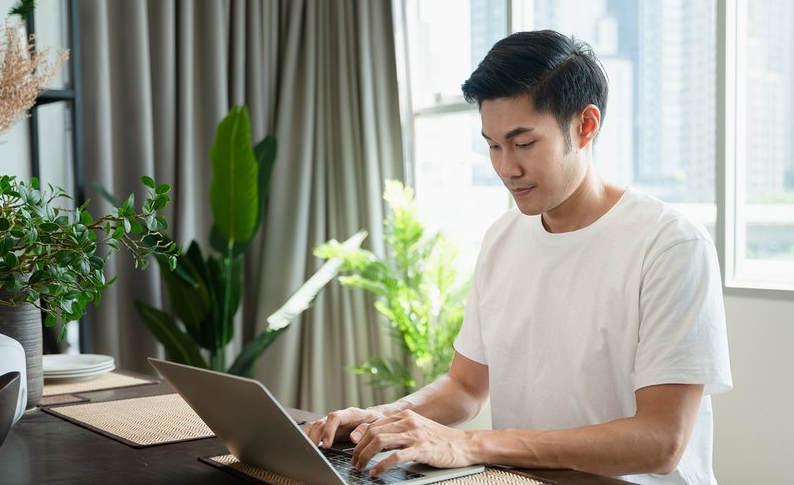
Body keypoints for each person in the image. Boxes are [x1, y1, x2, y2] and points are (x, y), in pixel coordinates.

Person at [305, 30, 732, 485]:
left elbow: (660, 441)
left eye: (524, 143)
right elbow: (466, 387)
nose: (507, 167)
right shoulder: (503, 238)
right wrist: (379, 418)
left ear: (585, 126)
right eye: (493, 145)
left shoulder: (670, 245)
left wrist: (468, 444)